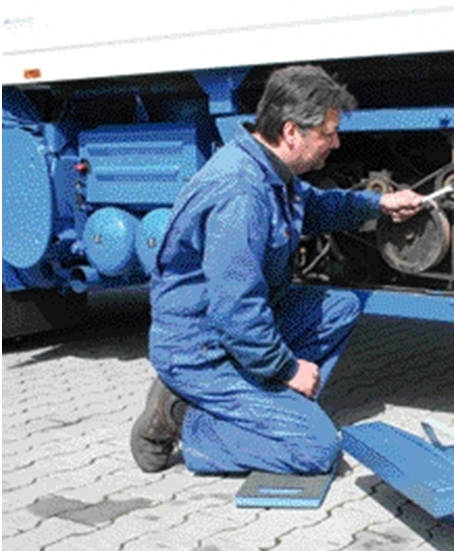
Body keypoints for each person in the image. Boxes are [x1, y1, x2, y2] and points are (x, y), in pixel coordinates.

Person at [130, 65, 423, 475]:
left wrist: (380, 205)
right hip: (202, 349)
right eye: (328, 133)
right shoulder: (240, 193)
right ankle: (182, 417)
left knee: (338, 307)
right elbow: (236, 308)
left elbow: (316, 207)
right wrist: (286, 369)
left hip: (227, 332)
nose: (336, 143)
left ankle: (269, 409)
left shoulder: (271, 172)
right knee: (316, 451)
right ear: (291, 132)